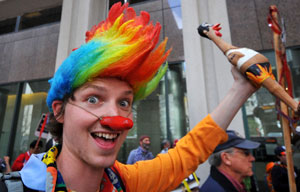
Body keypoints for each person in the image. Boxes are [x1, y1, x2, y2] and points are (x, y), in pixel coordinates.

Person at [18, 2, 257, 192]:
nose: (116, 118)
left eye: (124, 102)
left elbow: (188, 153)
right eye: (93, 99)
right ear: (59, 110)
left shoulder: (126, 182)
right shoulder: (20, 186)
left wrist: (241, 88)